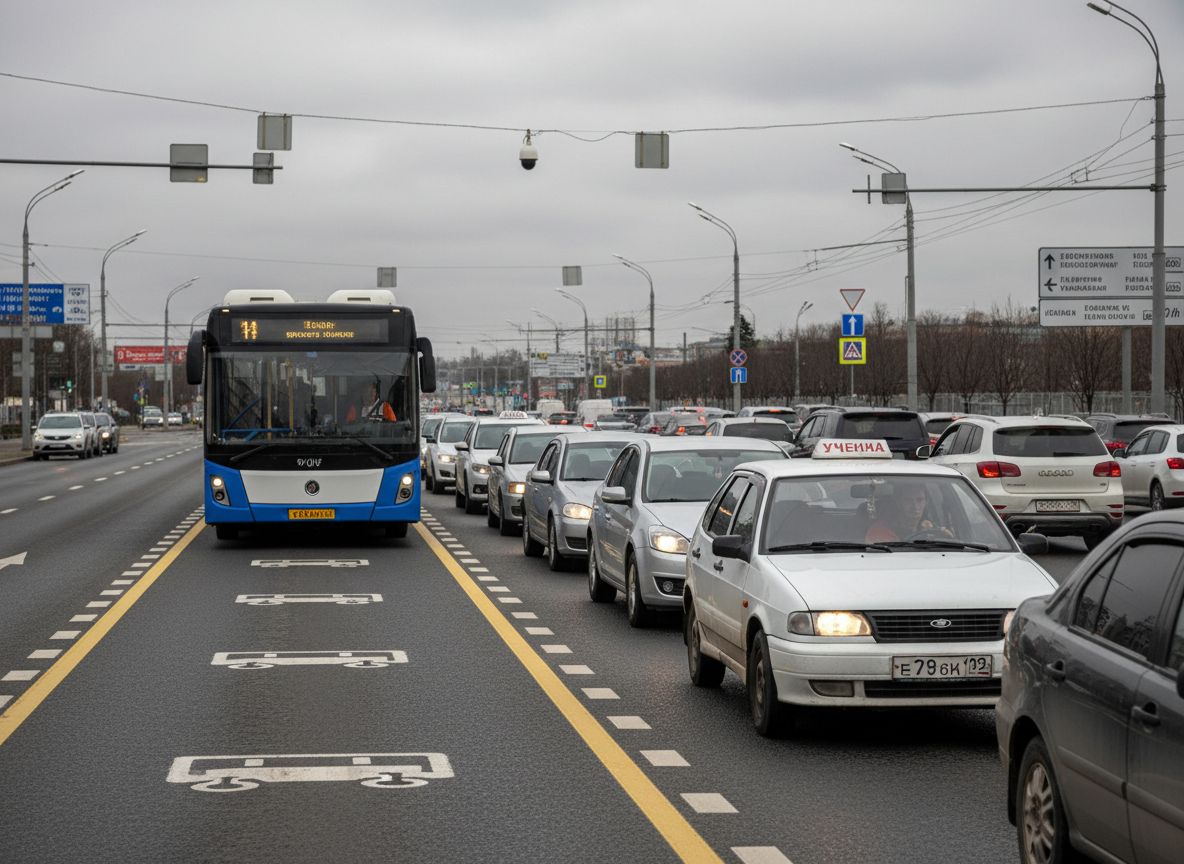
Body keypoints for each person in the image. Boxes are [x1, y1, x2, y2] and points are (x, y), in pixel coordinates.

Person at [865, 482, 950, 543]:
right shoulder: (879, 531)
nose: (915, 506)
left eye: (920, 500)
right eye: (908, 500)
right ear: (898, 502)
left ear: (926, 502)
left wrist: (945, 535)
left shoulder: (931, 528)